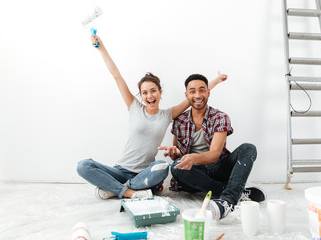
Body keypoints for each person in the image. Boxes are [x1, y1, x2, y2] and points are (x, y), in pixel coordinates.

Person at [77, 34, 227, 200]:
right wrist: (101, 47)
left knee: (162, 167)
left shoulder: (167, 115)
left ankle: (115, 189)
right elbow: (117, 76)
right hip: (121, 171)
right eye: (145, 93)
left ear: (160, 92)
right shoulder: (134, 108)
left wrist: (216, 81)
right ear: (141, 96)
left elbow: (195, 97)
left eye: (153, 91)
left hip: (146, 173)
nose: (149, 95)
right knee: (83, 166)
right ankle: (128, 191)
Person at [158, 74, 265, 220]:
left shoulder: (220, 117)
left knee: (248, 148)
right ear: (187, 95)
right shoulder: (179, 121)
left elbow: (214, 154)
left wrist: (193, 157)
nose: (197, 95)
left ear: (208, 92)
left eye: (202, 90)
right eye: (193, 91)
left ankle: (227, 201)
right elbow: (178, 155)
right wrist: (175, 153)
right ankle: (235, 192)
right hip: (195, 174)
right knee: (175, 167)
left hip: (218, 167)